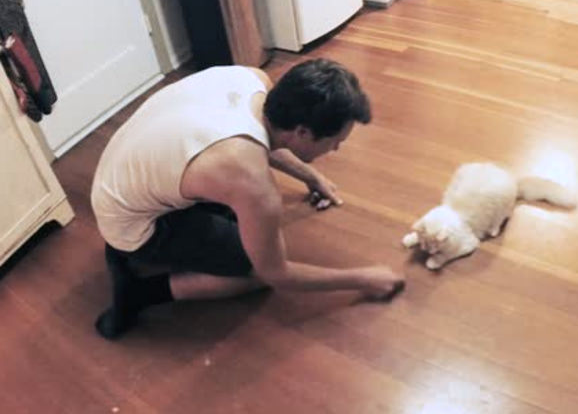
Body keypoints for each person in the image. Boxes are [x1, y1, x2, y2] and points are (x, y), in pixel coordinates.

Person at [91, 59, 405, 340]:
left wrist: (311, 177)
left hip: (115, 182)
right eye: (335, 142)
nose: (335, 150)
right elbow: (277, 273)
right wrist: (363, 278)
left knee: (243, 222)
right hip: (134, 226)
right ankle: (139, 293)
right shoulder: (251, 181)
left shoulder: (251, 79)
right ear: (303, 132)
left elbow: (265, 139)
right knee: (255, 271)